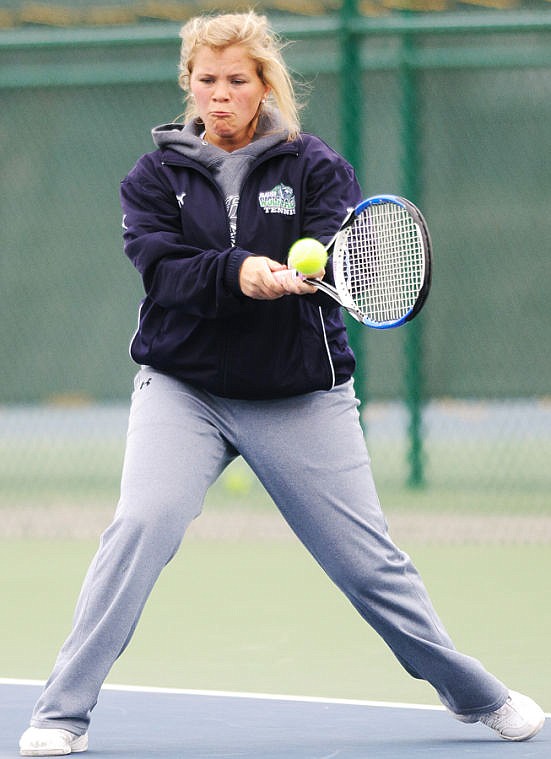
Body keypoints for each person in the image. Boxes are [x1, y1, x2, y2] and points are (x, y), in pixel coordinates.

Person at [19, 11, 545, 756]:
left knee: (368, 565)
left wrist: (304, 272)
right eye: (207, 81)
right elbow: (163, 272)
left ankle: (476, 695)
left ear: (264, 85)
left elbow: (341, 248)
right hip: (184, 389)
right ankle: (61, 713)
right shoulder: (152, 179)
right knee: (139, 525)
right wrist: (239, 272)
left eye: (237, 80)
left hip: (300, 395)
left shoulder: (315, 167)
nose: (221, 95)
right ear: (188, 84)